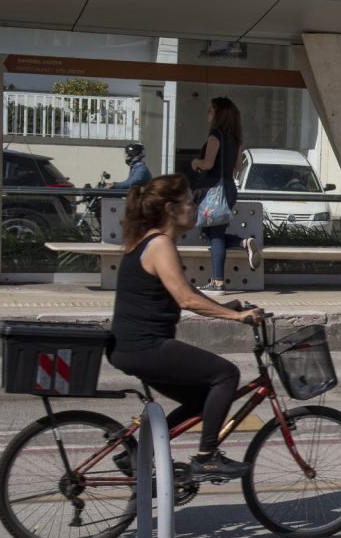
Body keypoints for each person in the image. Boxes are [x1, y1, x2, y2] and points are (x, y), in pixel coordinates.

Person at [107, 174, 264, 480]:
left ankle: (137, 455)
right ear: (170, 209)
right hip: (145, 347)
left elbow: (182, 291)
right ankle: (206, 458)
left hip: (130, 347)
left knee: (198, 399)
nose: (196, 207)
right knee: (225, 374)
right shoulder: (160, 244)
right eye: (191, 202)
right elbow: (185, 298)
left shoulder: (150, 241)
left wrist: (226, 307)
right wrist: (237, 318)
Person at [190, 97, 261, 296]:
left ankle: (218, 283)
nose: (208, 114)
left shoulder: (215, 136)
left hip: (214, 190)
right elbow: (239, 167)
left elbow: (208, 164)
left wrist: (195, 162)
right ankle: (244, 243)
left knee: (214, 236)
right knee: (214, 234)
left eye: (211, 110)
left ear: (218, 114)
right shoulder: (235, 139)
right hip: (229, 188)